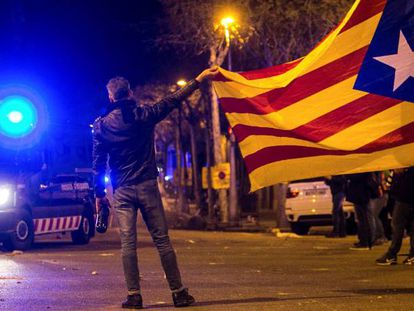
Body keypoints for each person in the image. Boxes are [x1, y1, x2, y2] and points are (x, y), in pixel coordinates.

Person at [92, 67, 219, 309]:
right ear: (129, 93)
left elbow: (97, 165)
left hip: (122, 190)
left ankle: (134, 296)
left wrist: (99, 196)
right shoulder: (145, 115)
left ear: (110, 97)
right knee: (162, 240)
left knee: (128, 244)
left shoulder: (101, 127)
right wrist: (199, 80)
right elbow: (172, 101)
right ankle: (178, 293)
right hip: (148, 186)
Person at [376, 167, 414, 265]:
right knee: (410, 226)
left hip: (404, 197)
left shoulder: (406, 165)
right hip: (405, 196)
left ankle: (392, 254)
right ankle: (412, 255)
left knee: (397, 225)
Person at [345, 173, 372, 250]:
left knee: (362, 219)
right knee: (362, 219)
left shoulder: (361, 172)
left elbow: (356, 177)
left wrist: (348, 175)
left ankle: (364, 242)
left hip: (360, 195)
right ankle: (364, 241)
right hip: (360, 195)